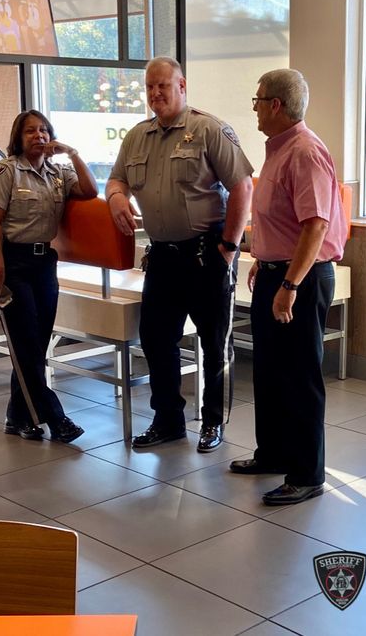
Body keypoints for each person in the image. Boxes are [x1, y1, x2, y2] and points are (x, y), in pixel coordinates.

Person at [106, 57, 253, 452]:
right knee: (156, 339)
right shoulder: (137, 136)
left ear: (182, 86)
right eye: (150, 86)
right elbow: (116, 178)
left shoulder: (209, 129)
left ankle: (212, 422)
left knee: (214, 342)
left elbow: (242, 186)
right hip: (163, 257)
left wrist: (229, 247)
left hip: (208, 254)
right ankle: (168, 419)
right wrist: (117, 197)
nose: (155, 93)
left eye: (163, 86)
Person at [229, 69, 348, 505]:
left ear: (276, 105)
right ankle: (274, 453)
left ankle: (306, 473)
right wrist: (264, 259)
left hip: (301, 278)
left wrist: (291, 284)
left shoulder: (304, 151)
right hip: (277, 272)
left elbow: (316, 225)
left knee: (299, 376)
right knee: (271, 371)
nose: (256, 107)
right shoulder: (279, 149)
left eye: (258, 100)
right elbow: (281, 218)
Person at [0, 110, 98, 443]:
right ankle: (56, 418)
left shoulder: (58, 173)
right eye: (31, 131)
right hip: (13, 263)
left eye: (45, 130)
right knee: (26, 342)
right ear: (19, 137)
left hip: (44, 264)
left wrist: (73, 154)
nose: (39, 136)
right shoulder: (7, 170)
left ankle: (16, 416)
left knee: (35, 344)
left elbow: (90, 191)